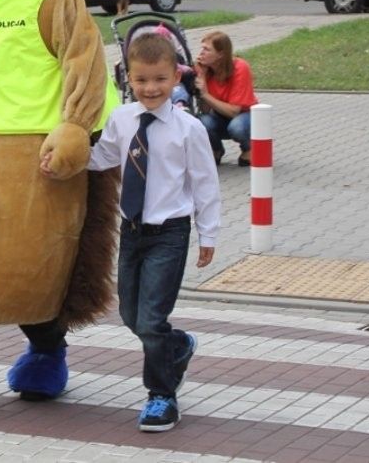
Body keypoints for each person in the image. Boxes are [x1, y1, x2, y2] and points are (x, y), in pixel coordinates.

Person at [84, 33, 222, 432]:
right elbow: (105, 156)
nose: (151, 89)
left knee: (151, 318)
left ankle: (161, 396)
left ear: (175, 76)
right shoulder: (122, 118)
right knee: (131, 314)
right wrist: (70, 159)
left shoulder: (188, 128)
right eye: (142, 80)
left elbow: (205, 184)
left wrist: (207, 234)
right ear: (129, 77)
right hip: (131, 231)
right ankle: (177, 346)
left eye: (160, 79)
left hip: (169, 233)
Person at [194, 30, 258, 167]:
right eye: (202, 48)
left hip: (245, 115)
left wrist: (205, 94)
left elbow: (234, 111)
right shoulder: (204, 70)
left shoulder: (240, 67)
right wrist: (202, 77)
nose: (201, 53)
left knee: (237, 127)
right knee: (200, 122)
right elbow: (205, 110)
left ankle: (249, 149)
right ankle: (216, 150)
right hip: (220, 116)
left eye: (207, 49)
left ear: (220, 54)